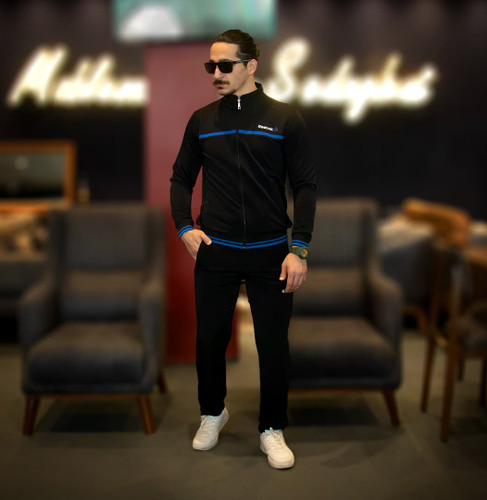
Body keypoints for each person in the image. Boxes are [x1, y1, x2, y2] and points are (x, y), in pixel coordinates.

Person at [170, 29, 316, 470]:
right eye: (210, 66)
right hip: (216, 251)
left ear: (251, 65)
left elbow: (305, 186)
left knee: (272, 346)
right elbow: (181, 178)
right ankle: (212, 413)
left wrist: (299, 248)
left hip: (272, 253)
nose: (215, 73)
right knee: (210, 340)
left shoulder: (285, 118)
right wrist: (184, 228)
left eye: (225, 65)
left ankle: (272, 427)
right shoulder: (201, 120)